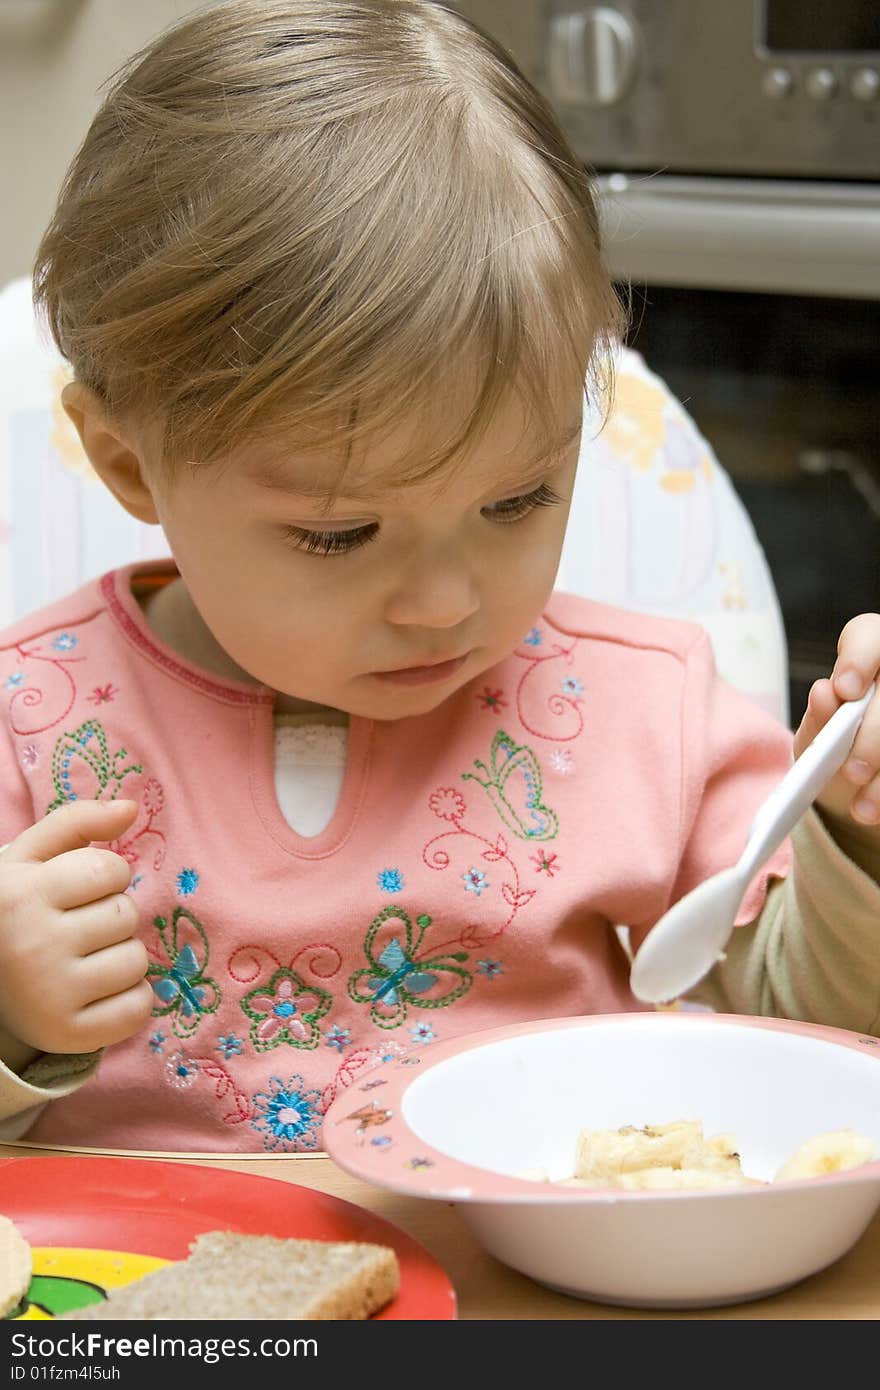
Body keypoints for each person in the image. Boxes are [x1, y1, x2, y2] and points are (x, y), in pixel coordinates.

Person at [0, 0, 878, 1154]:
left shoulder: (643, 715)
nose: (445, 602)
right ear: (126, 461)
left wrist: (854, 839)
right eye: (338, 534)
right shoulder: (30, 732)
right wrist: (13, 1024)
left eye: (515, 502)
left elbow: (805, 1040)